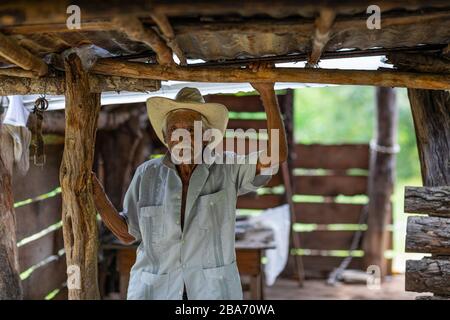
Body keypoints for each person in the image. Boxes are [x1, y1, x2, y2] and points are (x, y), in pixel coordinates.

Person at [92, 82, 287, 300]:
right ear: (166, 139)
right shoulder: (146, 175)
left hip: (211, 292)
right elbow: (127, 234)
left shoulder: (227, 168)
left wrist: (267, 94)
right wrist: (97, 195)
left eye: (191, 130)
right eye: (175, 130)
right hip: (155, 291)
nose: (182, 137)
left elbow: (276, 155)